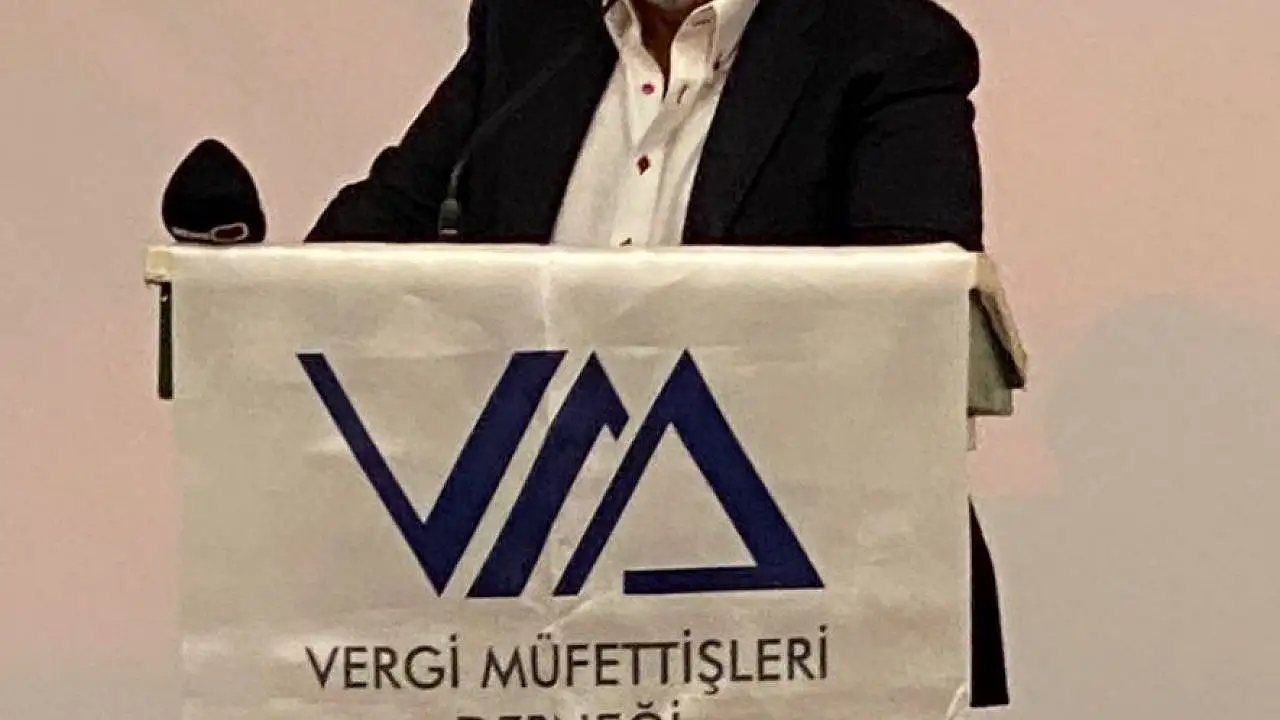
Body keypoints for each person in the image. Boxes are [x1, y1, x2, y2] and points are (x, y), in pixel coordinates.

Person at [306, 0, 1009, 709]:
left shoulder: (887, 44)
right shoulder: (532, 25)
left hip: (798, 607)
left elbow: (912, 317)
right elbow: (369, 239)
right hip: (521, 607)